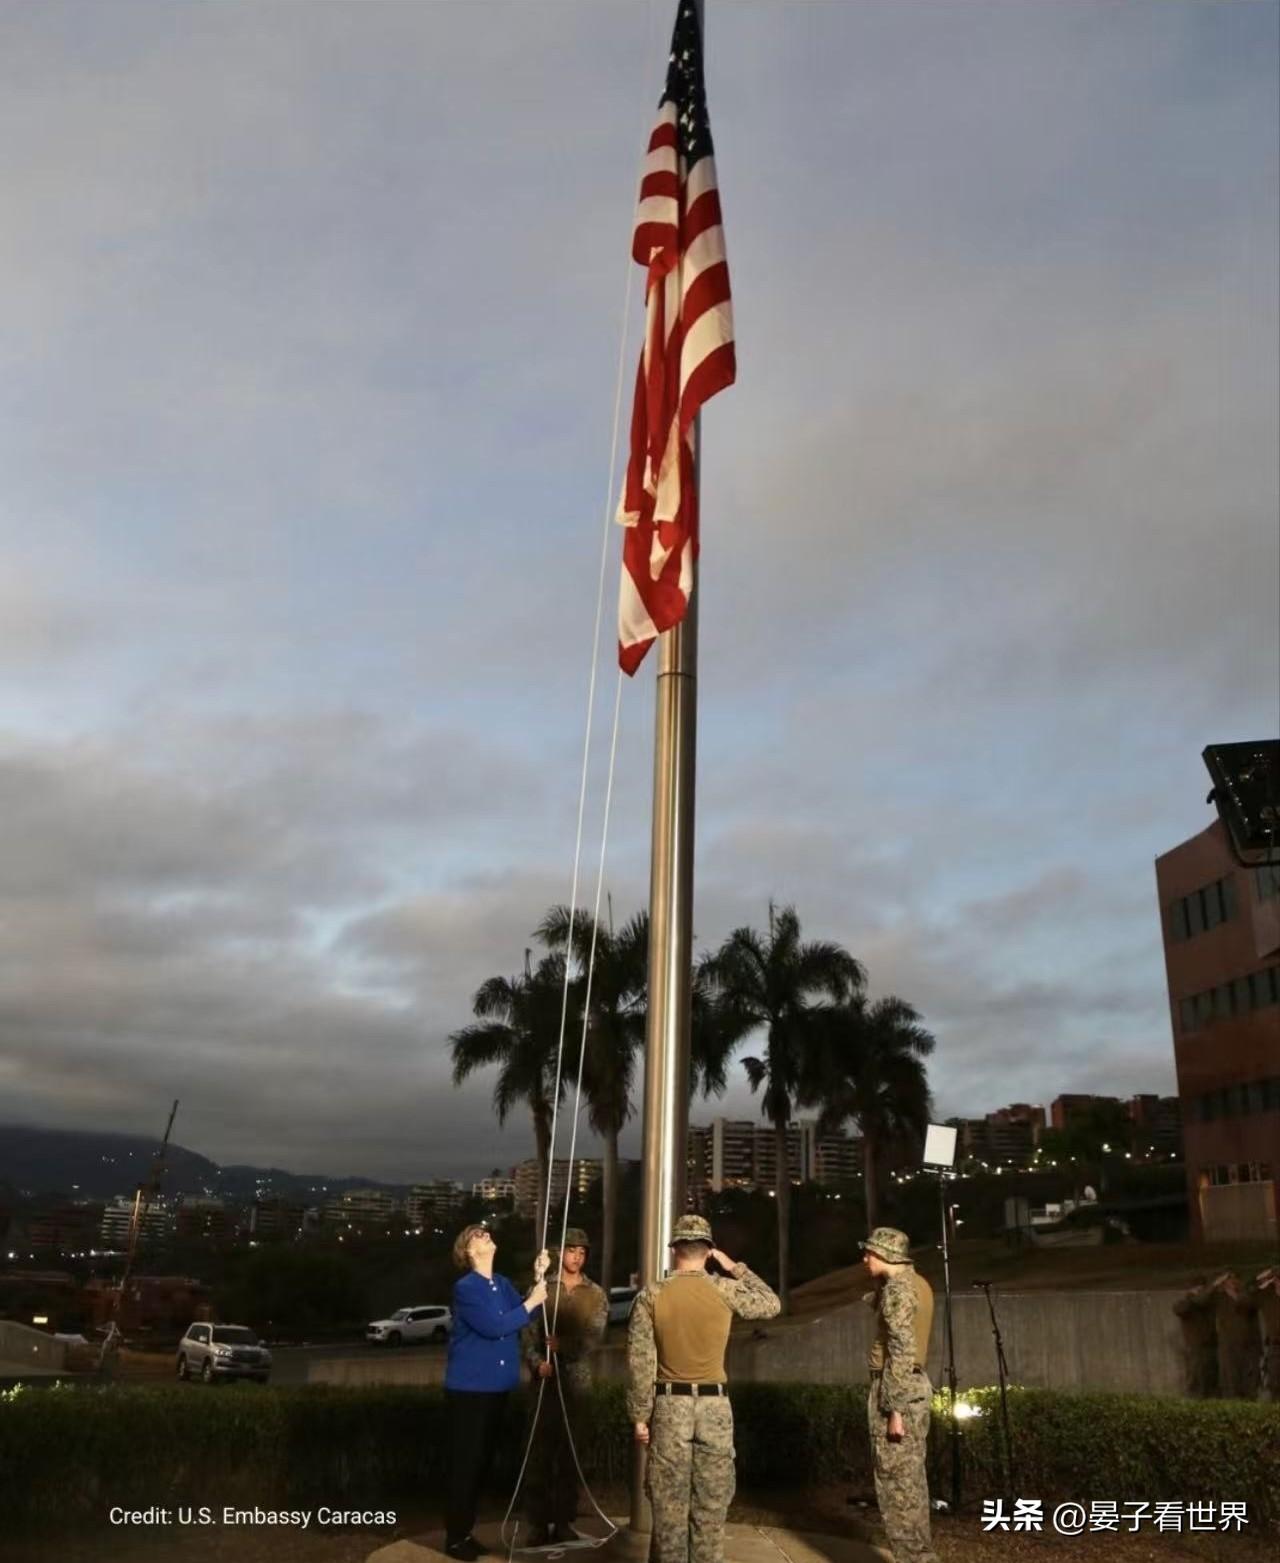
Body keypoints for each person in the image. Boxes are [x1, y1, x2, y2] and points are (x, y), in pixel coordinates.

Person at [626, 1213, 780, 1563]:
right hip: (715, 1407)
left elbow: (640, 1362)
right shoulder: (724, 1289)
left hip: (669, 1407)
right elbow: (771, 1303)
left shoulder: (652, 1295)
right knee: (711, 1503)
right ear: (708, 1250)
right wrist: (734, 1266)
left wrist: (639, 1416)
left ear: (674, 1249)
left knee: (669, 1506)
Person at [443, 1223, 549, 1561]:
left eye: (486, 1232)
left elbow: (522, 1314)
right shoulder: (466, 1288)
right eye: (477, 1234)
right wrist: (532, 1300)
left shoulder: (500, 1283)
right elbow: (496, 1326)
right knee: (466, 1464)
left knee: (482, 1463)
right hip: (471, 1389)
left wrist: (538, 1278)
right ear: (469, 1251)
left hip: (497, 1387)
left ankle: (466, 1532)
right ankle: (455, 1537)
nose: (485, 1234)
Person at [521, 1227, 608, 1545]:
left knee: (570, 1455)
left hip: (576, 1385)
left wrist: (564, 1346)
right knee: (539, 1454)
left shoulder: (595, 1294)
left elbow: (594, 1337)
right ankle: (538, 1524)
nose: (577, 1256)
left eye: (582, 1251)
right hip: (544, 1384)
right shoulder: (543, 1288)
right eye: (572, 1250)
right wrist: (536, 1362)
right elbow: (527, 1332)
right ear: (561, 1253)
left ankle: (564, 1520)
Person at [861, 1226, 940, 1563]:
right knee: (911, 1483)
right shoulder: (916, 1284)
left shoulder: (898, 1291)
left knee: (897, 1490)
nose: (864, 1259)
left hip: (898, 1389)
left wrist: (894, 1408)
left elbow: (901, 1350)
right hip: (912, 1386)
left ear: (885, 1255)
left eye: (870, 1253)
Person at [1172, 1277, 1220, 1397]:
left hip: (1211, 1345)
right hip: (1195, 1346)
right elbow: (1179, 1309)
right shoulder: (1185, 1304)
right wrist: (1191, 1297)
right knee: (1196, 1375)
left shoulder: (1207, 1304)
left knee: (1211, 1376)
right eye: (1198, 1289)